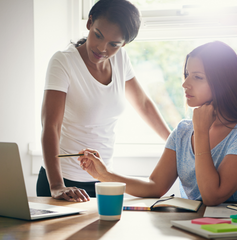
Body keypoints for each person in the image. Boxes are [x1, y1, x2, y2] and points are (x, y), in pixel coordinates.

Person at [37, 0, 170, 202]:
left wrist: (173, 142)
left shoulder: (120, 59)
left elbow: (142, 103)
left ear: (123, 44)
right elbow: (50, 126)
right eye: (98, 35)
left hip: (102, 180)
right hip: (64, 180)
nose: (101, 48)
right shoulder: (63, 62)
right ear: (89, 23)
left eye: (113, 44)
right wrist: (57, 186)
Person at [78, 41, 237, 206]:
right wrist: (105, 175)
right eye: (187, 74)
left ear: (223, 82)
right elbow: (155, 186)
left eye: (197, 77)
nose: (185, 84)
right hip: (193, 226)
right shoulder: (183, 131)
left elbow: (212, 197)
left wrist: (201, 131)